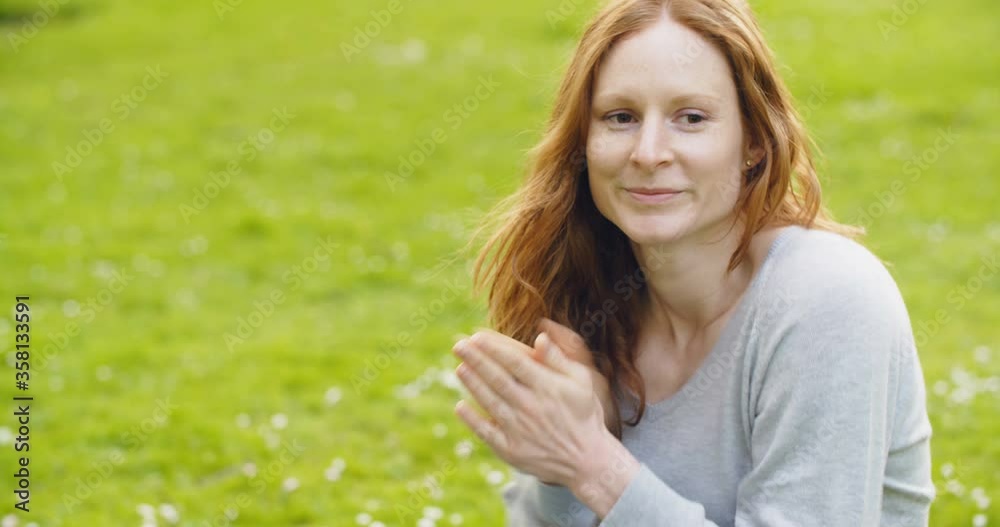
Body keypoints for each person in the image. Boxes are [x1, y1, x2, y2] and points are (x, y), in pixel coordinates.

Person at [450, 0, 936, 524]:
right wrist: (565, 461)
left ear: (754, 141)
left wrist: (593, 461)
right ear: (583, 142)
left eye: (691, 118)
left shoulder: (828, 300)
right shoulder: (592, 296)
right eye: (620, 117)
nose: (648, 152)